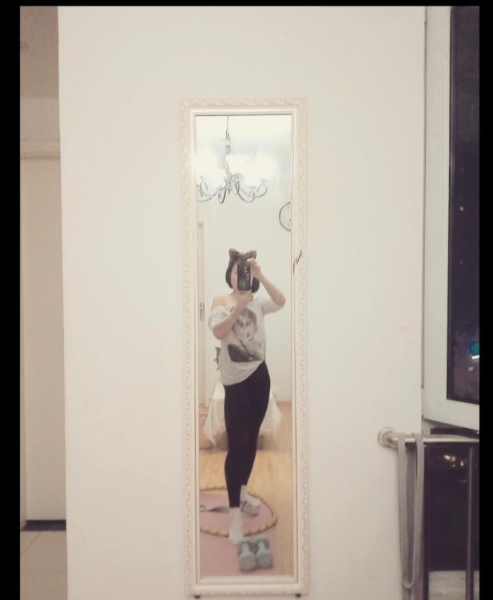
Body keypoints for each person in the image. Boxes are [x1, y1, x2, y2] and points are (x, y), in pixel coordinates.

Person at [208, 248, 286, 543]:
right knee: (236, 447)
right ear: (229, 273)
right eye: (235, 269)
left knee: (252, 439)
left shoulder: (258, 302)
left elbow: (281, 300)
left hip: (259, 377)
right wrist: (238, 306)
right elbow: (219, 332)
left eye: (244, 270)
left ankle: (242, 493)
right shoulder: (221, 301)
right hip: (235, 384)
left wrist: (260, 276)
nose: (239, 275)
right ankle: (234, 519)